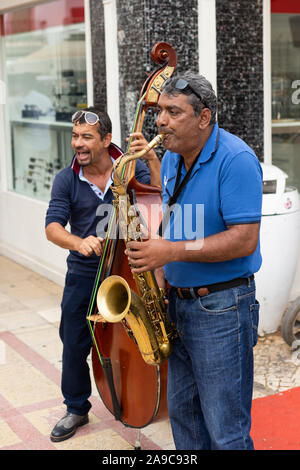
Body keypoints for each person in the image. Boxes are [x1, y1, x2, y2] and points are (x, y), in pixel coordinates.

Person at [125, 72, 263, 450]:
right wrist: (156, 256)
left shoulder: (236, 159)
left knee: (225, 430)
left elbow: (244, 240)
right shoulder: (170, 158)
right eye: (160, 112)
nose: (161, 121)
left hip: (222, 309)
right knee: (185, 421)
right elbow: (178, 224)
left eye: (172, 112)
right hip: (178, 305)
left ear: (204, 118)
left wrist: (170, 252)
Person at [45, 106, 161, 442]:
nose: (77, 144)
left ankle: (148, 396)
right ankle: (77, 407)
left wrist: (152, 161)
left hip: (129, 268)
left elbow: (157, 201)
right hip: (85, 272)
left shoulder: (128, 168)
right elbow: (52, 228)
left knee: (139, 335)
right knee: (73, 341)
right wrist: (78, 242)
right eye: (74, 136)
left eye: (86, 137)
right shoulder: (66, 179)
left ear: (106, 139)